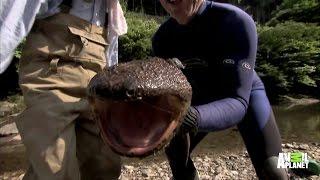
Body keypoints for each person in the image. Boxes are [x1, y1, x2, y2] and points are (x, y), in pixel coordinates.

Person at [152, 0, 289, 179]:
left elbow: (239, 102)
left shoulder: (235, 21)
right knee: (176, 153)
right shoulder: (162, 38)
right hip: (197, 100)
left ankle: (302, 160)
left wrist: (192, 117)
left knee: (276, 167)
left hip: (244, 95)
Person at [0, 0, 127, 179]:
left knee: (104, 163)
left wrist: (112, 84)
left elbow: (111, 43)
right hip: (51, 72)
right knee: (55, 167)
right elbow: (10, 18)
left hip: (98, 77)